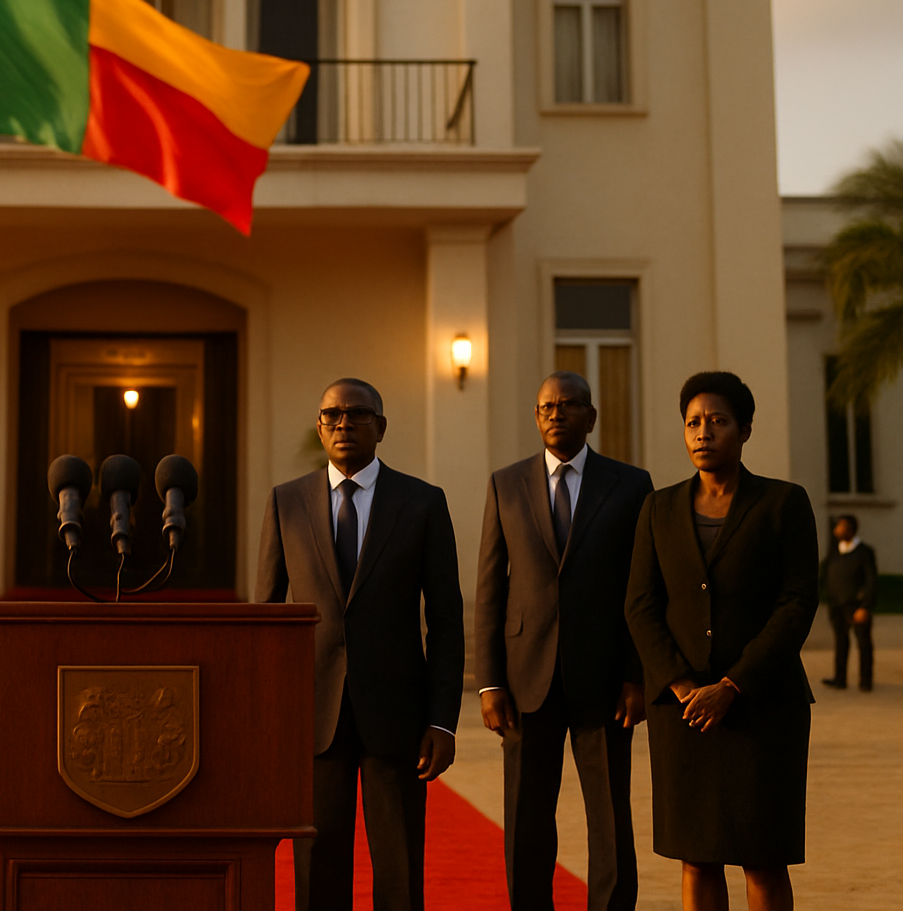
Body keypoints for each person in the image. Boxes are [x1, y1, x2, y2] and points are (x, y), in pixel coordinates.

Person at [257, 377, 463, 911]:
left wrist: (442, 720)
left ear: (381, 427)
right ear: (320, 427)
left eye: (356, 414)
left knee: (399, 870)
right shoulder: (287, 502)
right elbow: (268, 624)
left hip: (398, 717)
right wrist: (270, 721)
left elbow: (445, 619)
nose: (343, 424)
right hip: (315, 716)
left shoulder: (422, 503)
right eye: (331, 416)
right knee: (318, 869)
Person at [625, 372, 819, 911]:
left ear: (745, 429)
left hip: (763, 708)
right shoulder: (658, 509)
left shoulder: (784, 503)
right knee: (698, 856)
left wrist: (732, 684)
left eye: (717, 421)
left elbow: (797, 602)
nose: (703, 432)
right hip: (684, 714)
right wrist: (685, 686)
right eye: (693, 422)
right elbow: (640, 606)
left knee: (762, 855)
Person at [475, 372, 653, 911]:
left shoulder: (630, 484)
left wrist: (636, 674)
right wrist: (488, 682)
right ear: (536, 416)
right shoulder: (506, 484)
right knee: (527, 818)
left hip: (604, 683)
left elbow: (642, 587)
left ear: (591, 417)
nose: (557, 413)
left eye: (570, 405)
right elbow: (489, 588)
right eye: (547, 406)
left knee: (610, 819)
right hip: (527, 679)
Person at [820, 514, 877, 692]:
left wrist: (865, 606)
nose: (836, 529)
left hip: (856, 606)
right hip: (836, 605)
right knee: (840, 642)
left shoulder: (864, 552)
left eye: (840, 526)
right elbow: (824, 573)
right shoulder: (835, 550)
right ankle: (840, 678)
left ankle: (866, 681)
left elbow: (871, 581)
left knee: (863, 642)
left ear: (850, 529)